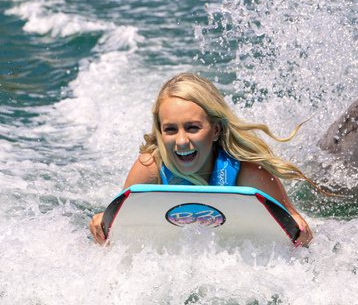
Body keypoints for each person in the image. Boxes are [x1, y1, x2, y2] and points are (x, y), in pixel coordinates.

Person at [89, 73, 315, 246]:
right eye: (170, 129)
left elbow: (298, 235)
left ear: (216, 130)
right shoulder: (151, 169)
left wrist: (301, 231)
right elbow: (117, 236)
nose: (181, 141)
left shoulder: (248, 174)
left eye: (193, 128)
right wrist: (101, 225)